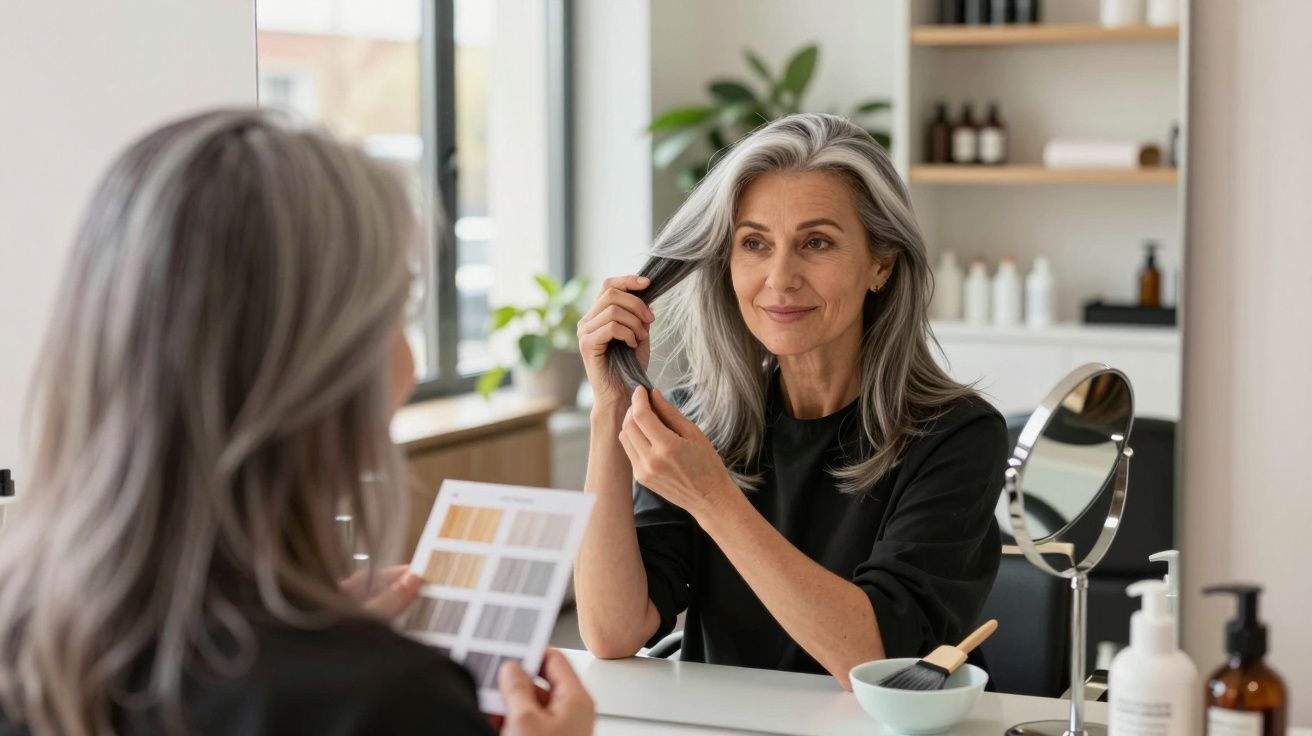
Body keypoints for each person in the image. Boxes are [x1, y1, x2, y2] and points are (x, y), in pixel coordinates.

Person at [0, 109, 593, 736]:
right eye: (398, 309)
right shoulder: (388, 703)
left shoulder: (26, 637)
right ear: (319, 368)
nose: (411, 365)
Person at [573, 113, 1006, 690]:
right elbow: (611, 630)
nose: (780, 278)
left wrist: (713, 499)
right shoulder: (698, 425)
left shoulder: (958, 435)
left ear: (881, 262)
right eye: (754, 243)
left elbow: (879, 661)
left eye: (817, 243)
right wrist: (611, 407)